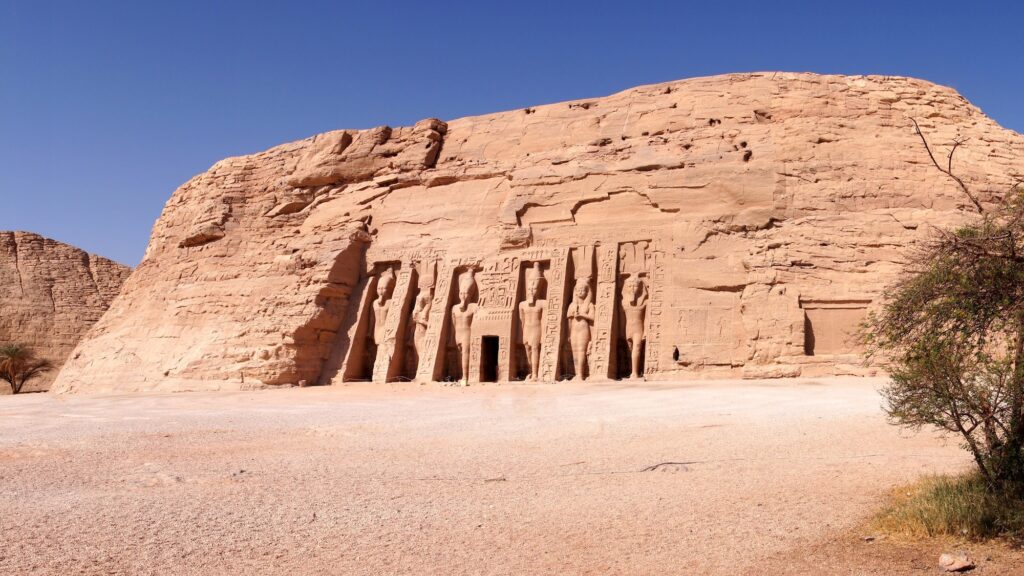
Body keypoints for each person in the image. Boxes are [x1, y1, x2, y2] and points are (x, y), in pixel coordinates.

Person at [518, 267, 547, 381]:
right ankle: (531, 371)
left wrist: (544, 335)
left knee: (535, 348)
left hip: (537, 328)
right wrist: (520, 335)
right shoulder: (522, 304)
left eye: (534, 289)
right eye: (529, 289)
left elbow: (544, 320)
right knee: (528, 350)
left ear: (538, 290)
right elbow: (522, 320)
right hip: (526, 329)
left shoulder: (542, 303)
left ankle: (535, 374)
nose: (531, 291)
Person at [451, 271, 477, 385]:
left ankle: (465, 377)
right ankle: (460, 375)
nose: (463, 296)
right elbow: (453, 324)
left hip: (467, 333)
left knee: (466, 354)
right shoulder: (454, 308)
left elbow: (475, 324)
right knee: (460, 354)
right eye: (461, 293)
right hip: (458, 334)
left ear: (470, 294)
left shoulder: (473, 307)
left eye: (466, 293)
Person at [566, 279, 594, 381]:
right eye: (578, 290)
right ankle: (577, 373)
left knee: (582, 351)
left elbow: (592, 318)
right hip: (574, 330)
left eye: (583, 290)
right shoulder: (572, 305)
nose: (580, 292)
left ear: (587, 292)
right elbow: (569, 321)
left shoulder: (589, 305)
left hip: (584, 329)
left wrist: (582, 315)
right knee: (574, 351)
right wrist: (568, 334)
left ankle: (581, 375)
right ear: (575, 292)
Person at [621, 274, 648, 379]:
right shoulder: (623, 302)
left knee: (637, 348)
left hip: (638, 328)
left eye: (635, 286)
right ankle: (630, 370)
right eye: (629, 286)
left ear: (640, 288)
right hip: (628, 329)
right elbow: (621, 319)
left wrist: (646, 331)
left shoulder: (645, 302)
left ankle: (635, 373)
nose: (632, 288)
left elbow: (647, 319)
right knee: (629, 350)